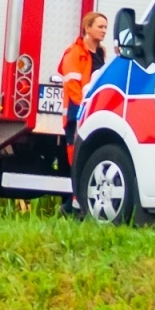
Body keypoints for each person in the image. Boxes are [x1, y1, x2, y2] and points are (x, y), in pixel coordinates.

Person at [57, 10, 109, 208]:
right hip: (76, 112)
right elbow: (72, 85)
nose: (104, 31)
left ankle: (76, 203)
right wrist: (83, 107)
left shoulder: (101, 53)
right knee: (75, 158)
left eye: (105, 27)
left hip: (92, 111)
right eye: (100, 27)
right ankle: (71, 204)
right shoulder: (74, 52)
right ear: (87, 28)